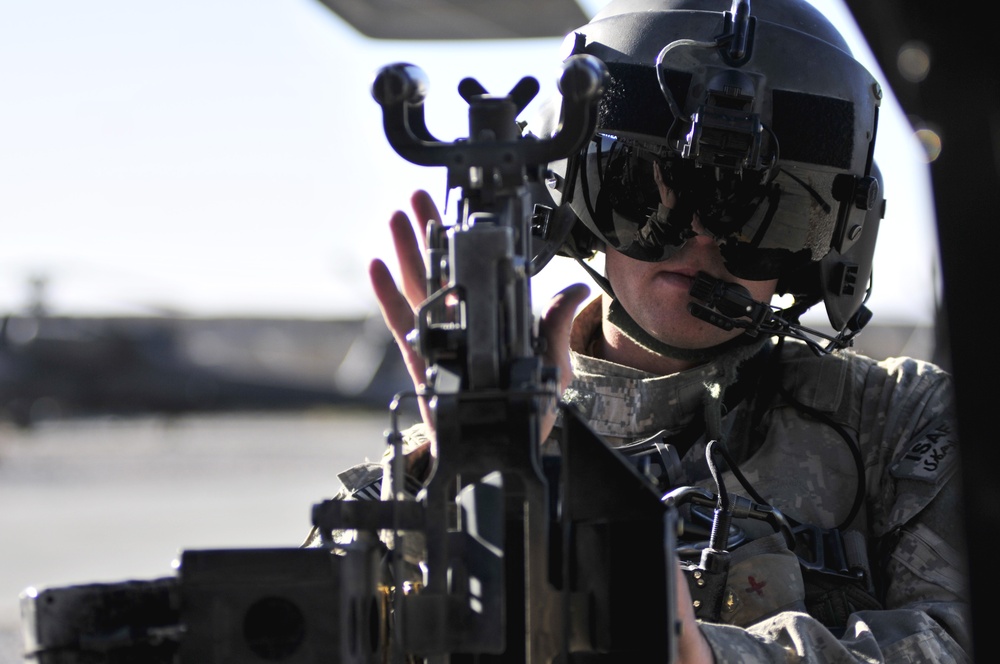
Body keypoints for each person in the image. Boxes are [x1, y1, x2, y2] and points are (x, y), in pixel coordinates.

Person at [324, 0, 970, 660]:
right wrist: (455, 482)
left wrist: (707, 656)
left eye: (755, 212)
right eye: (642, 194)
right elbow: (314, 628)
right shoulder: (457, 442)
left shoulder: (899, 429)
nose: (699, 235)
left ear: (824, 246)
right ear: (574, 195)